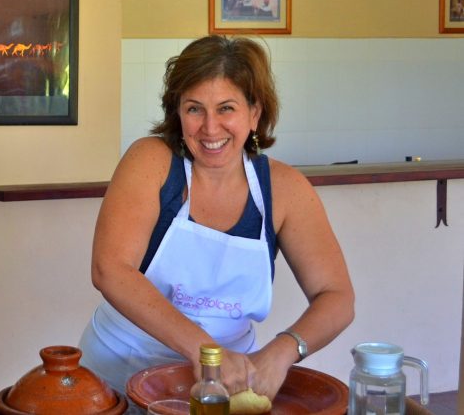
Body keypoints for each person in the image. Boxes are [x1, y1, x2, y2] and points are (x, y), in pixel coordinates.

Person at [78, 35, 354, 404]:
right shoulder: (152, 161)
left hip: (232, 388)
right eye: (195, 109)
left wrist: (284, 350)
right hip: (123, 369)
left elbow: (337, 297)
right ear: (177, 111)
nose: (210, 128)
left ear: (254, 113)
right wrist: (207, 352)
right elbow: (110, 269)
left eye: (226, 108)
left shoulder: (285, 189)